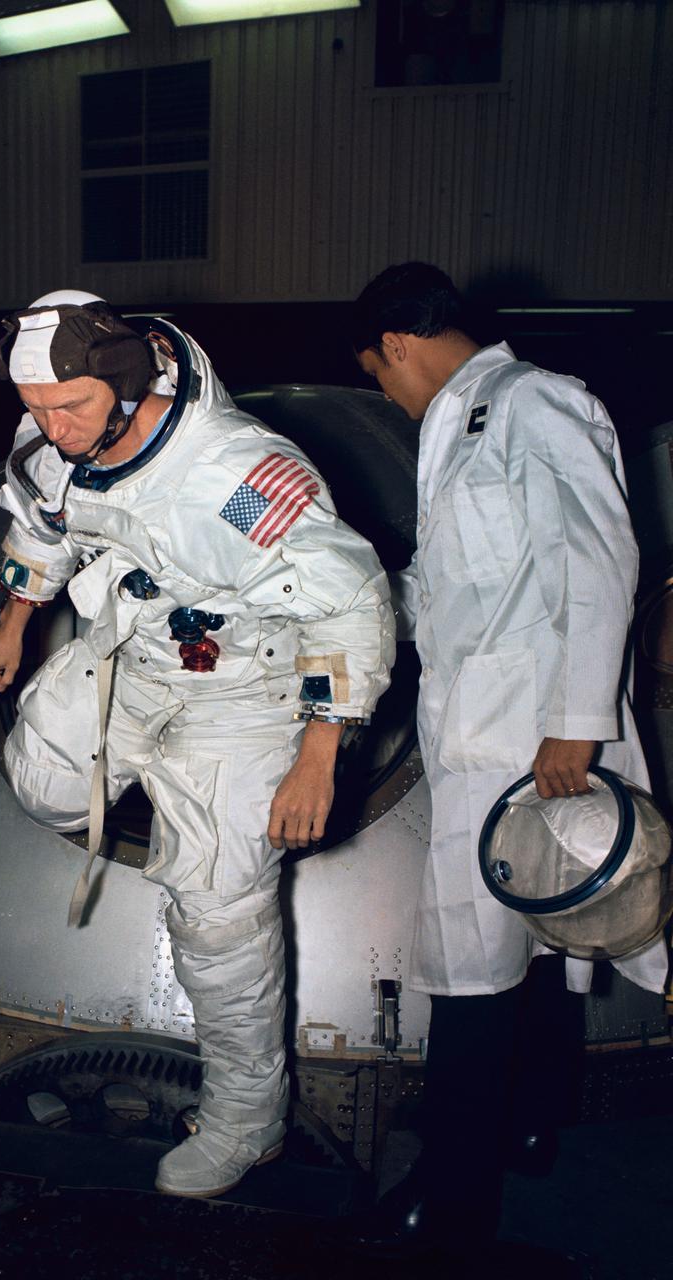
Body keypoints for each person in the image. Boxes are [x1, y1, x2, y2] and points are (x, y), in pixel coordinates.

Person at [0, 289, 395, 1197]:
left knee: (218, 916)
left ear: (126, 384)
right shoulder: (53, 441)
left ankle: (248, 1121)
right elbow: (42, 523)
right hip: (135, 659)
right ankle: (142, 767)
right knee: (43, 783)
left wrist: (318, 753)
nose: (53, 426)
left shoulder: (237, 477)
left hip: (247, 696)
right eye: (36, 408)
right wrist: (15, 620)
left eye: (69, 406)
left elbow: (351, 602)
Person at [349, 262, 667, 1251]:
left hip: (535, 729)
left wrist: (576, 718)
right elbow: (446, 589)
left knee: (472, 961)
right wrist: (357, 606)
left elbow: (601, 556)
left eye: (378, 375)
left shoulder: (535, 401)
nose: (385, 395)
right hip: (481, 728)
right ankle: (529, 1123)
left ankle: (452, 1193)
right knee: (534, 934)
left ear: (396, 344)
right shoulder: (455, 426)